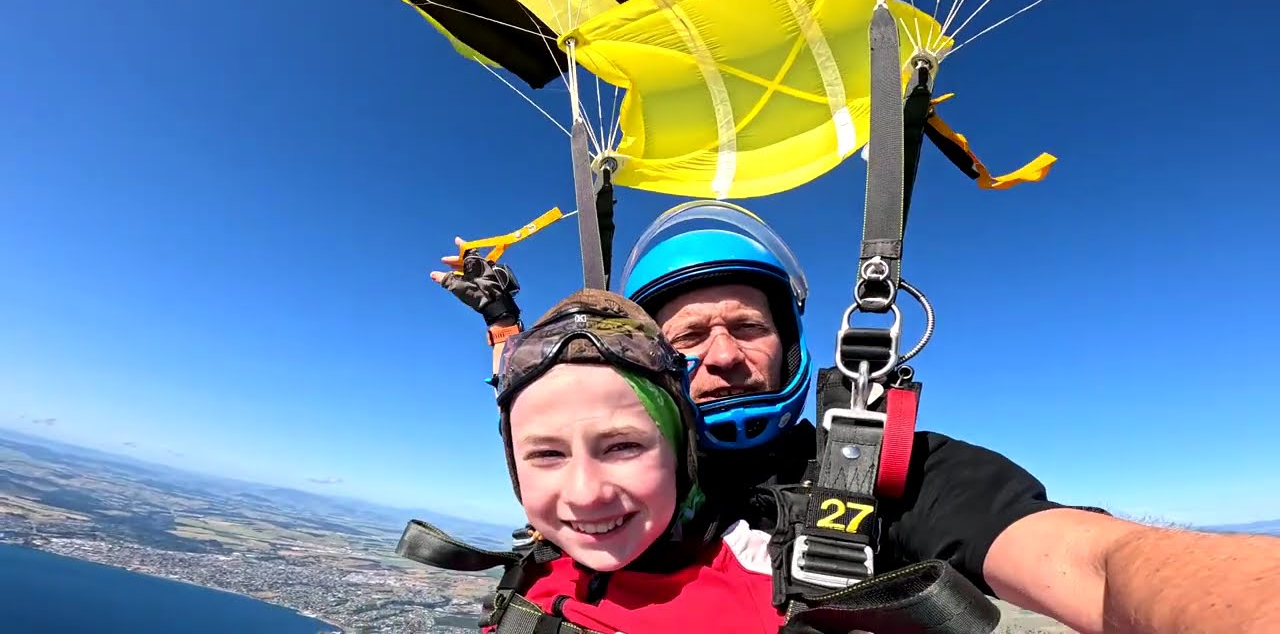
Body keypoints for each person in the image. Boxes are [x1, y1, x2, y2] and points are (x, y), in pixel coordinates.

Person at [434, 201, 1279, 634]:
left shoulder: (879, 474)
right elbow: (540, 416)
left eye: (749, 327)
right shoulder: (613, 472)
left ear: (795, 341)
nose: (723, 355)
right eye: (689, 336)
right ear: (652, 364)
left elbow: (1095, 565)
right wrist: (504, 328)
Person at [484, 287, 792, 633]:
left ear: (680, 456)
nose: (585, 494)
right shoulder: (539, 567)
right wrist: (502, 325)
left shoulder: (770, 597)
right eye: (547, 454)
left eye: (623, 447)